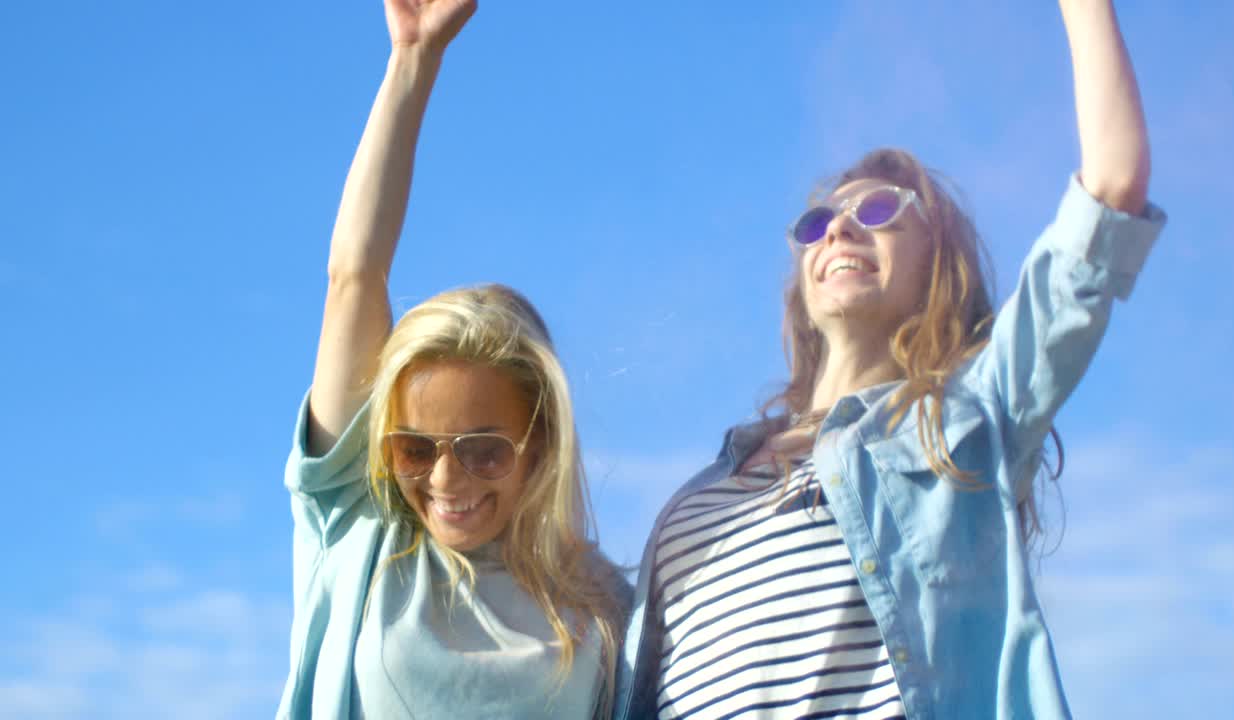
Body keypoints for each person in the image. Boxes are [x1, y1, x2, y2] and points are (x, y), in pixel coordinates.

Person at [614, 1, 1165, 718]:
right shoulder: (703, 488)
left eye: (878, 212)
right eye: (817, 223)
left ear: (937, 264)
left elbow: (1112, 190)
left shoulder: (967, 418)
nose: (840, 225)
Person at [276, 2, 627, 718]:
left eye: (483, 451)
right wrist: (412, 60)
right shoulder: (359, 526)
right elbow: (354, 278)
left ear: (539, 446)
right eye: (413, 448)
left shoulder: (605, 606)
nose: (444, 478)